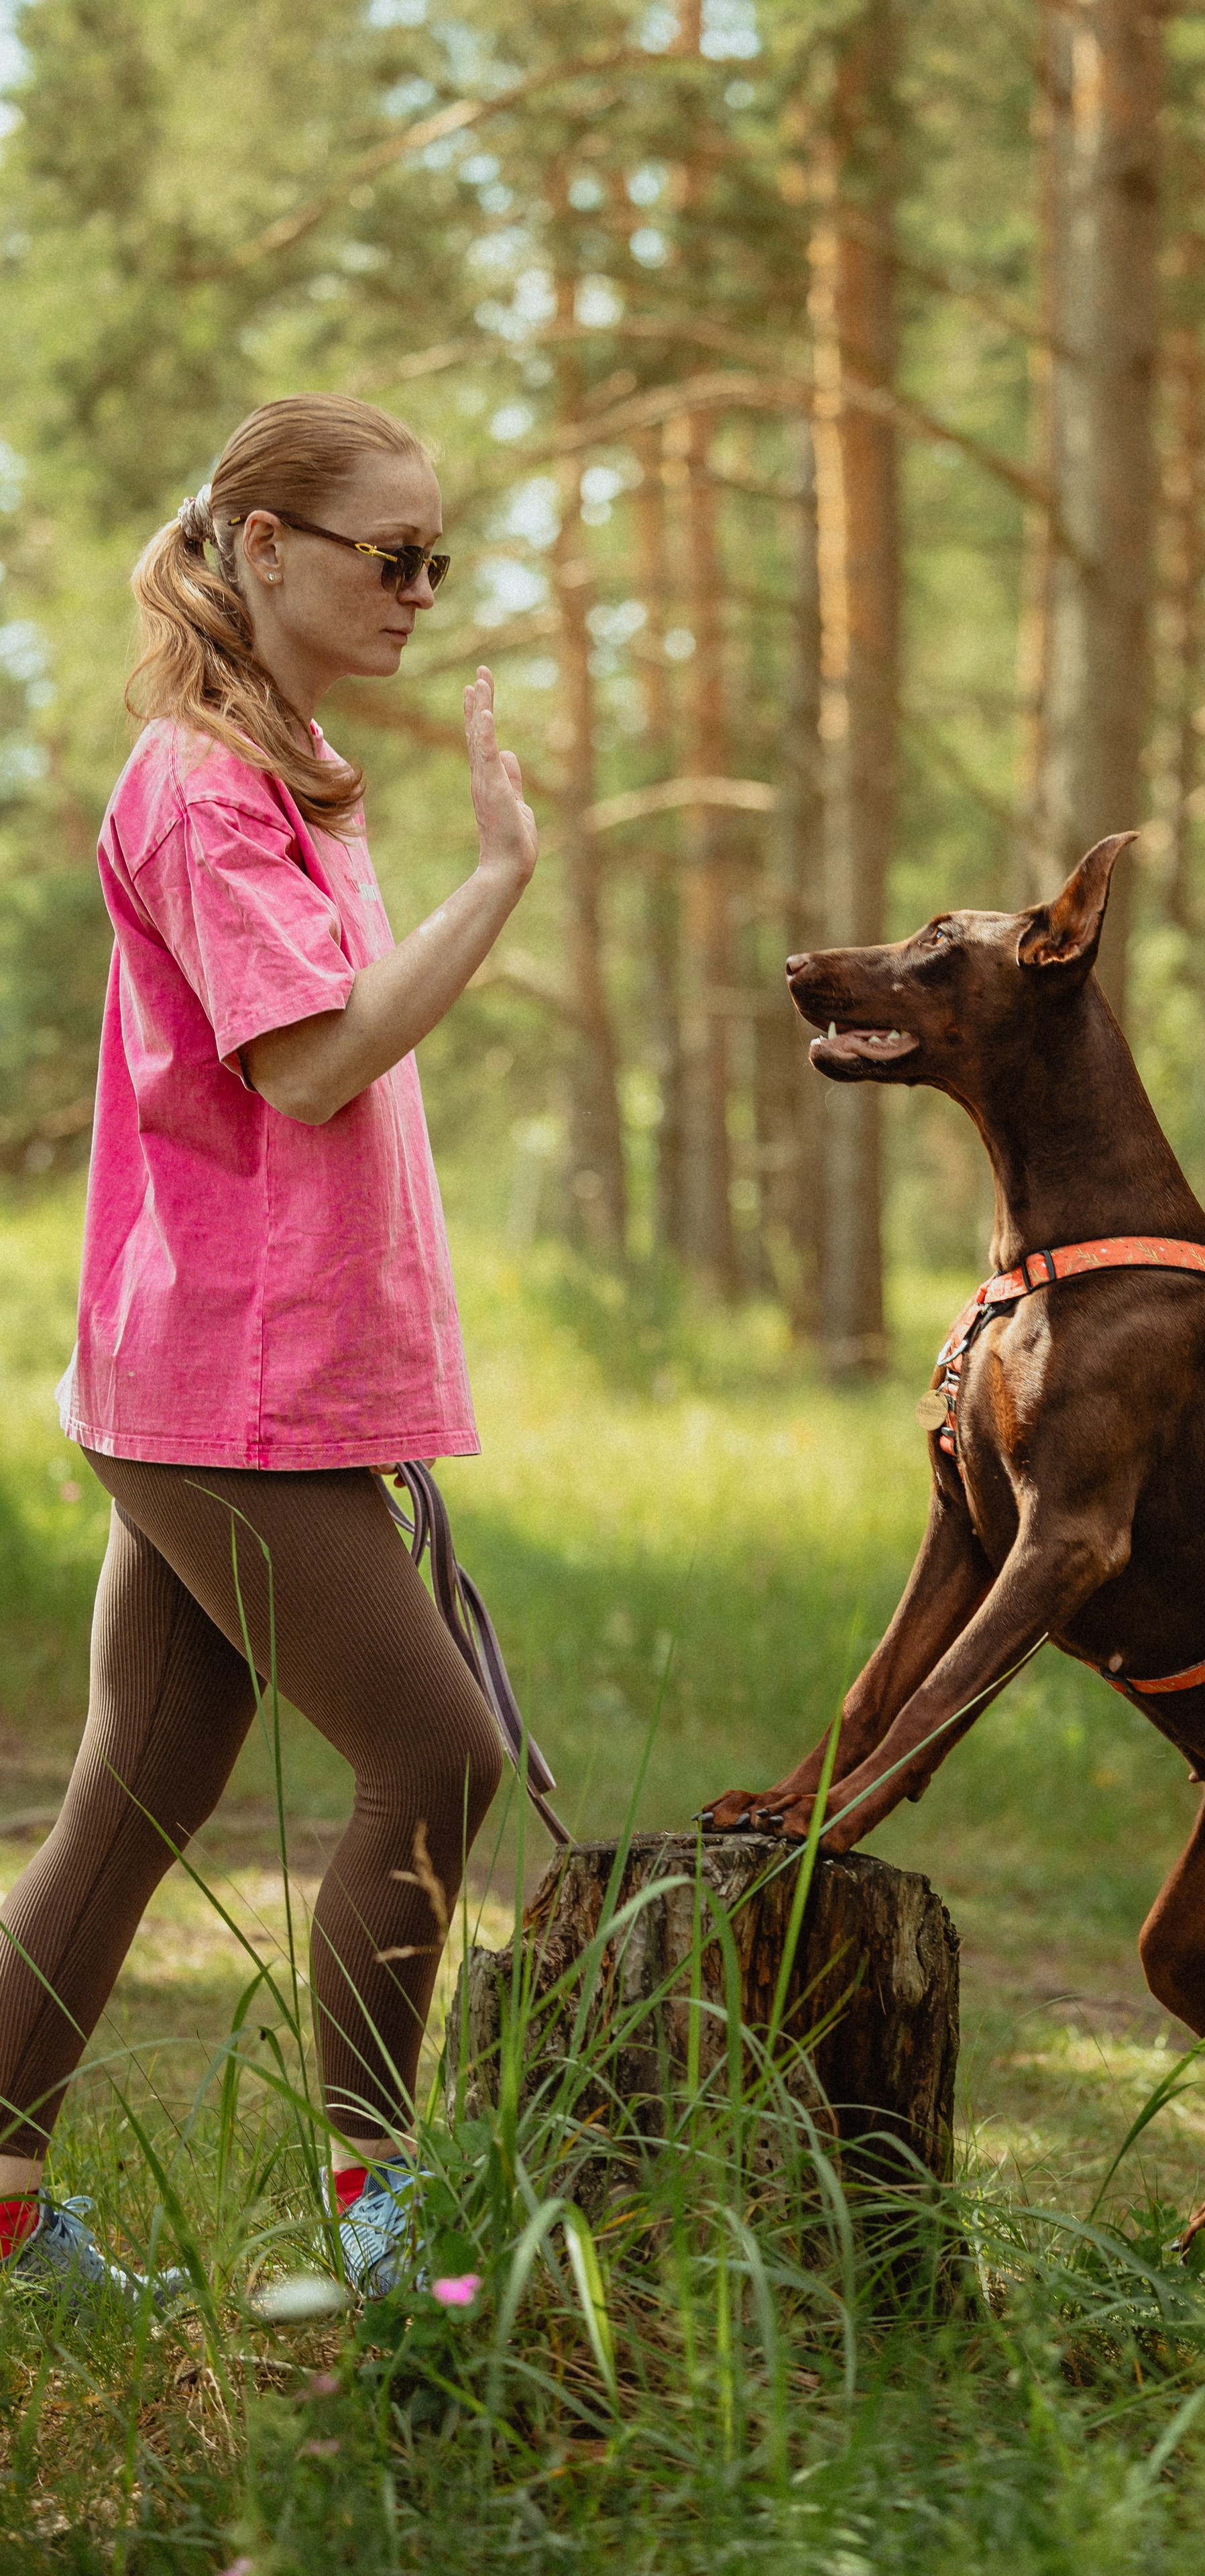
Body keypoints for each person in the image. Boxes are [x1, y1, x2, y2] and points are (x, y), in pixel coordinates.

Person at [0, 392, 539, 2307]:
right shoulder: (202, 784)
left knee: (134, 1796)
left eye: (435, 559)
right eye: (387, 553)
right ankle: (379, 2228)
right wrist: (494, 882)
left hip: (253, 1370)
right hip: (222, 1383)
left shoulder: (287, 762)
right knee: (439, 1761)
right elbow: (312, 1065)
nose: (417, 588)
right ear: (260, 543)